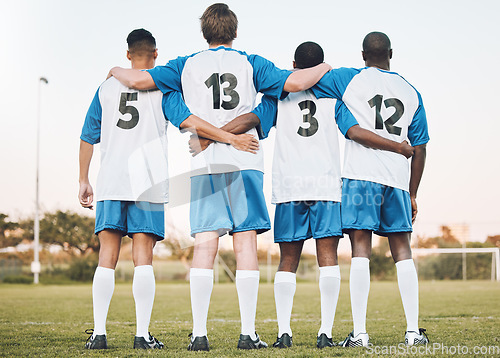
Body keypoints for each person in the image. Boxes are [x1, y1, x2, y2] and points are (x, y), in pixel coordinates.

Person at [107, 3, 332, 351]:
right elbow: (298, 80)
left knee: (205, 246)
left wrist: (114, 68)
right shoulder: (250, 62)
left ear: (204, 33)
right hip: (245, 161)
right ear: (235, 32)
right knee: (245, 245)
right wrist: (326, 65)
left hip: (205, 165)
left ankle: (199, 335)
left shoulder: (186, 64)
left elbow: (137, 79)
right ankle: (247, 333)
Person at [79, 28, 258, 350]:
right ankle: (142, 335)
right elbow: (190, 120)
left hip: (110, 182)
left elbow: (87, 137)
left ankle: (99, 334)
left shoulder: (105, 87)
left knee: (106, 256)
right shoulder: (162, 89)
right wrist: (227, 137)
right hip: (147, 183)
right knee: (143, 258)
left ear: (128, 52)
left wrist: (83, 179)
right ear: (156, 54)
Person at [249, 42, 414, 349]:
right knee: (329, 260)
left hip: (289, 187)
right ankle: (325, 333)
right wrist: (398, 148)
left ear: (294, 64)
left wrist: (220, 133)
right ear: (322, 66)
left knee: (288, 260)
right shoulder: (334, 98)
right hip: (325, 187)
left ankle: (284, 333)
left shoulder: (278, 96)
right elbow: (353, 132)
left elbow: (257, 123)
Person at [311, 31, 429, 347]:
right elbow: (420, 148)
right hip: (396, 182)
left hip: (359, 177)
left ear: (363, 55)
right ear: (391, 52)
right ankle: (413, 332)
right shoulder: (410, 90)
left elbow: (350, 128)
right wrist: (412, 192)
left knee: (360, 251)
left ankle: (360, 334)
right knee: (403, 252)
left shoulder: (349, 79)